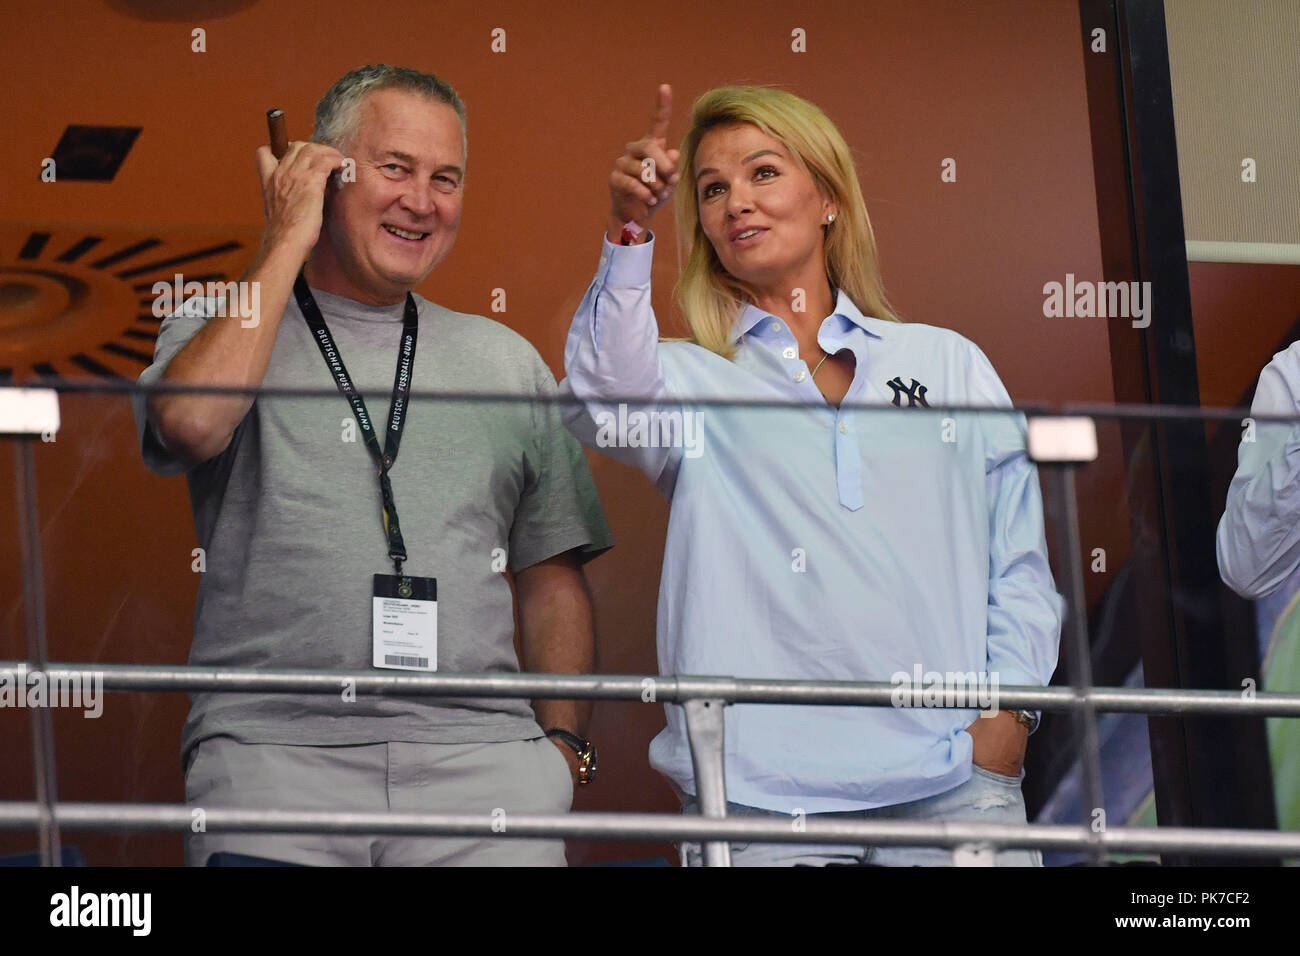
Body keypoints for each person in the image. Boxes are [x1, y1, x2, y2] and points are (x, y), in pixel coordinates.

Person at [561, 84, 1063, 866]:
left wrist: (1009, 718)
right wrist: (629, 230)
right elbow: (601, 398)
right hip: (757, 800)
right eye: (712, 189)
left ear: (827, 197)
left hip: (952, 786)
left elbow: (1018, 561)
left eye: (763, 173)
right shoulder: (690, 378)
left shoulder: (946, 361)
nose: (737, 203)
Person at [132, 64, 611, 866]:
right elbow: (189, 422)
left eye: (445, 177)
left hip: (481, 767)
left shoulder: (505, 361)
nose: (422, 201)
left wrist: (562, 752)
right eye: (395, 168)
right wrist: (288, 235)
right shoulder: (220, 321)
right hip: (273, 759)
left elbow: (551, 575)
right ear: (324, 172)